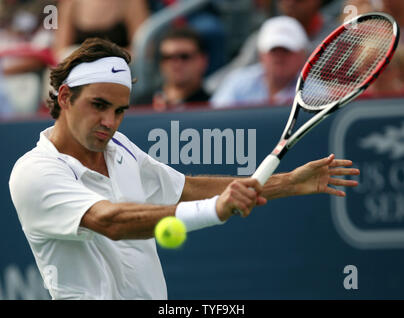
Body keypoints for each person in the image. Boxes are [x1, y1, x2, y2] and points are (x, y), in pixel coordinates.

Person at [9, 38, 360, 300]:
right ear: (66, 97)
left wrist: (288, 183)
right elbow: (110, 222)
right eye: (98, 105)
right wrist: (215, 210)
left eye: (119, 110)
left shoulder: (121, 149)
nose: (109, 122)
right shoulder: (34, 172)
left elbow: (183, 187)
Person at [211, 16, 308, 108]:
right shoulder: (237, 82)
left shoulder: (316, 93)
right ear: (261, 55)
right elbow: (215, 117)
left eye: (286, 50)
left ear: (302, 55)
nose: (279, 57)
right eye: (273, 50)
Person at [133, 27, 210, 111]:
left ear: (203, 60)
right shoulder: (141, 105)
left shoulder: (215, 104)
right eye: (167, 57)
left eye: (184, 56)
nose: (176, 64)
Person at [53, 0, 149, 60]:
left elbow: (142, 49)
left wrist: (105, 58)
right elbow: (61, 51)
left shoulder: (131, 2)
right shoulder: (70, 3)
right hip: (81, 71)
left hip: (119, 70)